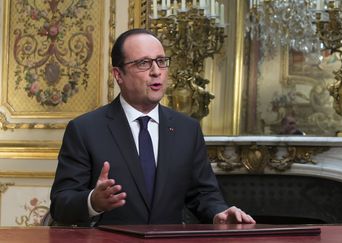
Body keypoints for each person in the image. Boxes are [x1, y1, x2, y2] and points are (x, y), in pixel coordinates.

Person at [50, 28, 255, 226]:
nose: (156, 72)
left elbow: (203, 194)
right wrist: (92, 201)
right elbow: (61, 204)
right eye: (144, 63)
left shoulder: (187, 129)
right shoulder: (85, 129)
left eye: (161, 61)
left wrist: (218, 213)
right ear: (118, 74)